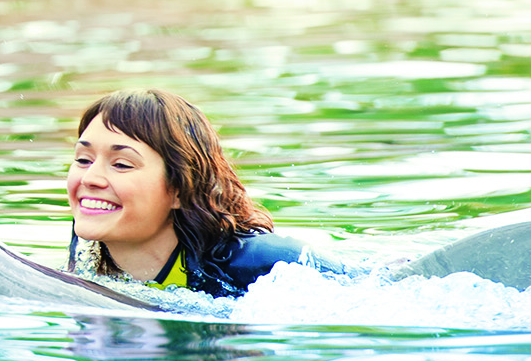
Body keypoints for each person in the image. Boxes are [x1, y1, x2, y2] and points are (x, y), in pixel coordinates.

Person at [64, 88, 344, 297]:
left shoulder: (264, 264)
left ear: (179, 189)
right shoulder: (85, 264)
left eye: (121, 164)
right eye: (83, 160)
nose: (90, 178)